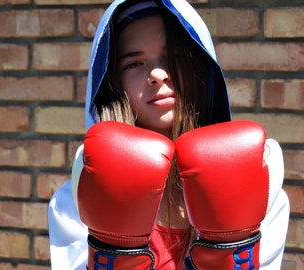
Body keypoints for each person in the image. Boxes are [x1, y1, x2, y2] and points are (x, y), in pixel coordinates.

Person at [48, 0, 290, 269]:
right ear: (112, 83)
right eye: (134, 63)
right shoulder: (77, 201)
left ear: (199, 67)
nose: (157, 74)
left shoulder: (258, 189)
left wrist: (230, 247)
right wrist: (114, 249)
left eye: (173, 57)